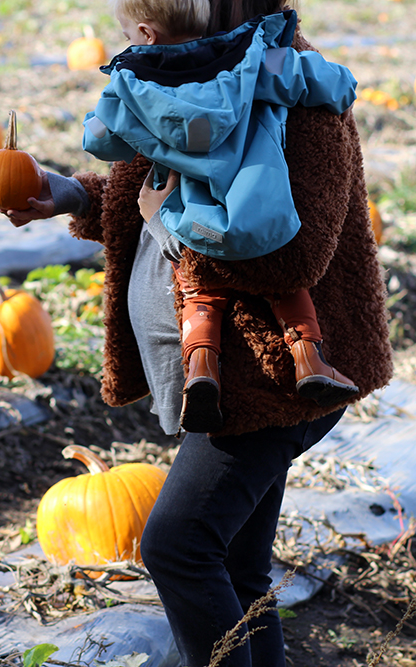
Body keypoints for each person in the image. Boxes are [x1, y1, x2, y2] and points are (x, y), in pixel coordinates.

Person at [2, 0, 394, 664]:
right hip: (235, 377)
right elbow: (154, 194)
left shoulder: (292, 88)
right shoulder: (187, 66)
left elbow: (288, 258)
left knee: (177, 546)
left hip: (275, 380)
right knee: (240, 573)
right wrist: (70, 194)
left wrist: (168, 227)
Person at [79, 0, 361, 433]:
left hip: (195, 218)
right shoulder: (252, 60)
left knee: (198, 288)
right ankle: (308, 358)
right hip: (257, 206)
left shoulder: (134, 85)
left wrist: (112, 121)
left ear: (146, 33)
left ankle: (202, 369)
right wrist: (341, 84)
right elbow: (326, 82)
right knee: (287, 290)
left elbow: (99, 139)